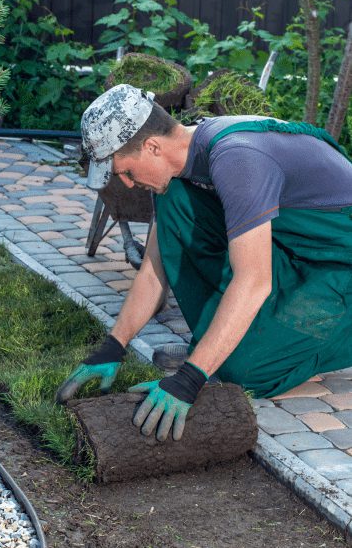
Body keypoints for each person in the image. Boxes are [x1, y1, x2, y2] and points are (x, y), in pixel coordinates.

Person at [56, 83, 352, 442]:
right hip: (298, 250)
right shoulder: (188, 161)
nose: (128, 185)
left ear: (152, 146)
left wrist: (190, 378)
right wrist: (114, 345)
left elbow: (254, 281)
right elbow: (154, 269)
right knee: (174, 199)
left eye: (126, 171)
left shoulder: (237, 159)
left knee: (243, 369)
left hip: (339, 263)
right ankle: (222, 340)